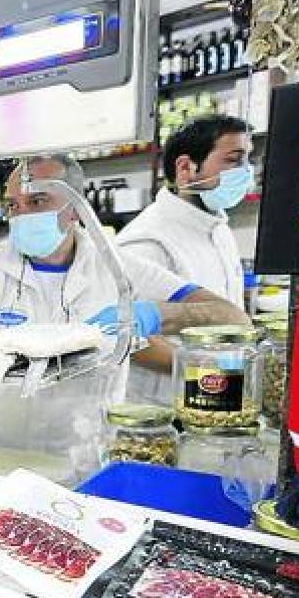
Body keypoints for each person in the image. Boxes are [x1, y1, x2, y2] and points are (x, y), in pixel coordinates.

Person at [0, 155, 250, 468]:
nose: (21, 216)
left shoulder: (120, 267)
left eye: (37, 201)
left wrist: (152, 315)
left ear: (74, 208)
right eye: (13, 205)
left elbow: (232, 316)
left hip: (78, 459)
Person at [117, 115, 253, 404]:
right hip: (164, 408)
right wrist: (206, 371)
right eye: (233, 160)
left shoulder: (218, 228)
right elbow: (128, 339)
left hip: (217, 397)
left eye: (247, 160)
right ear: (185, 168)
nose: (245, 172)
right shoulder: (147, 239)